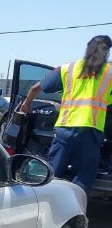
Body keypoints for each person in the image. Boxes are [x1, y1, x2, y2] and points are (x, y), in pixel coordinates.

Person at [20, 35, 112, 194]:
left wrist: (26, 104)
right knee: (82, 181)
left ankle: (46, 209)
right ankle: (75, 213)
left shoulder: (68, 68)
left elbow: (36, 88)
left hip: (64, 132)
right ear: (107, 52)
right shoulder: (110, 72)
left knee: (52, 176)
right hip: (91, 133)